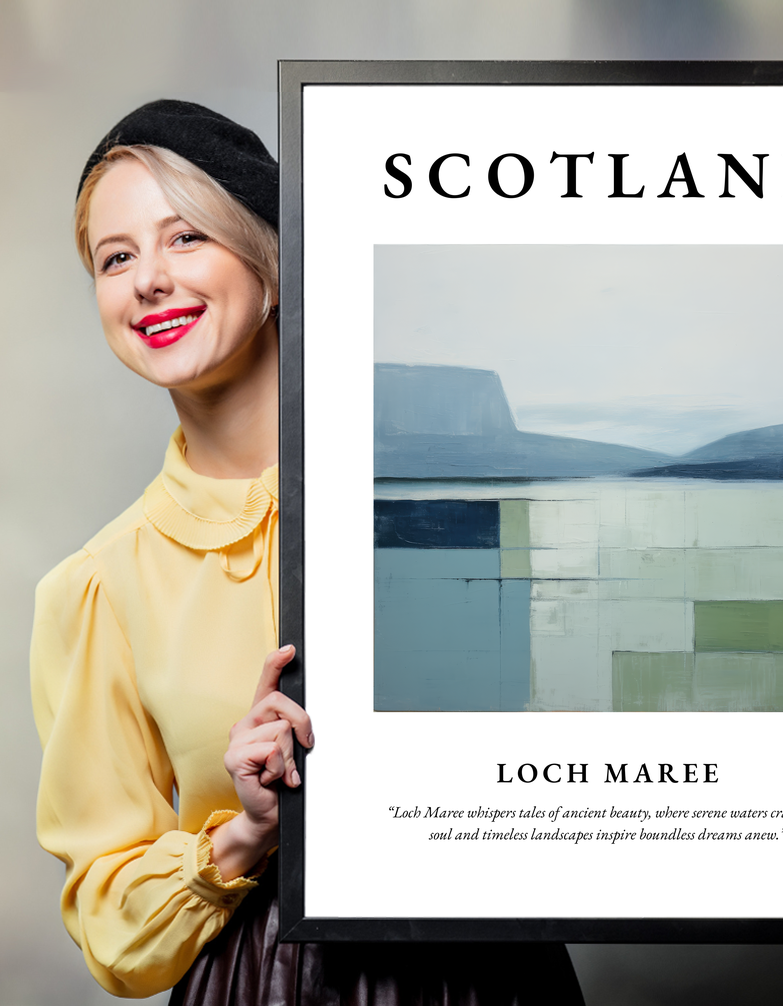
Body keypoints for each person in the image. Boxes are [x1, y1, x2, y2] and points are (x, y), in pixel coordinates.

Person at [30, 100, 585, 1004]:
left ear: (273, 263)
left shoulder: (457, 467)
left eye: (186, 238)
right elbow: (110, 923)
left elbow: (600, 686)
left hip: (490, 971)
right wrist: (245, 832)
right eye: (116, 257)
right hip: (264, 981)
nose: (148, 281)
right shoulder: (98, 586)